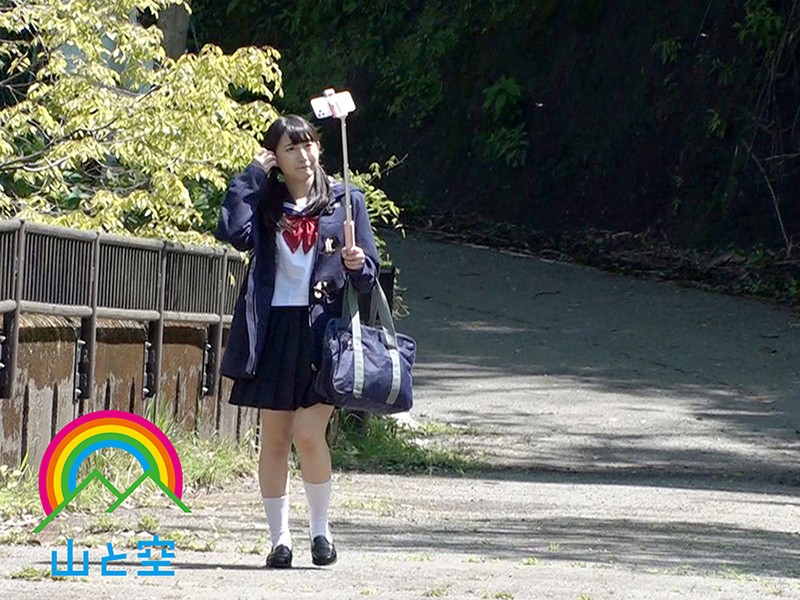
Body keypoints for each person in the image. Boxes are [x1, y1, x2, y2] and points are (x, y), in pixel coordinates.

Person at [215, 114, 380, 568]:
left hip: (323, 332)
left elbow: (368, 276)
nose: (303, 156)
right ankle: (279, 541)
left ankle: (321, 533)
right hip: (275, 330)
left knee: (308, 432)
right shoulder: (266, 200)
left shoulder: (346, 201)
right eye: (290, 148)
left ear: (319, 148)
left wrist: (357, 263)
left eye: (308, 146)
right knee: (274, 438)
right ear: (275, 157)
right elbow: (232, 232)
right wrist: (251, 175)